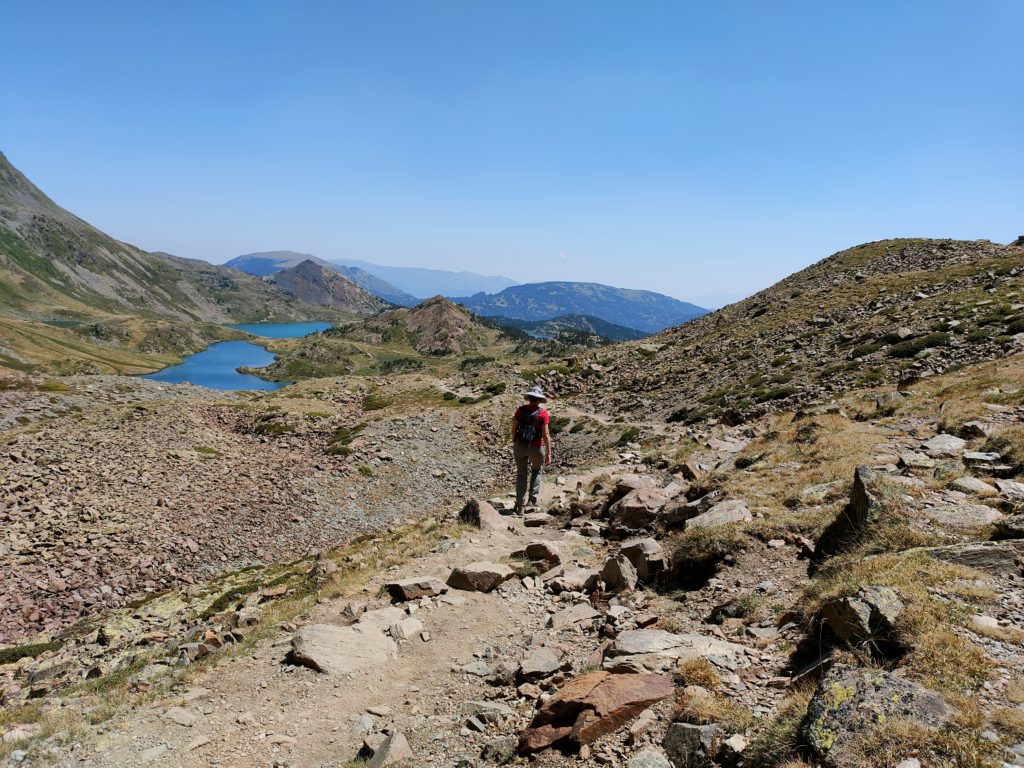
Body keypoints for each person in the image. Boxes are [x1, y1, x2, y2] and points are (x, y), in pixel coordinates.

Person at [511, 385, 552, 512]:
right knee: (537, 470)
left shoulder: (520, 410)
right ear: (539, 400)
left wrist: (514, 440)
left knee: (521, 474)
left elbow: (514, 428)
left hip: (520, 445)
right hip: (537, 446)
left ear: (528, 398)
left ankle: (519, 505)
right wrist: (549, 453)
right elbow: (546, 435)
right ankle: (531, 501)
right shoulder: (543, 413)